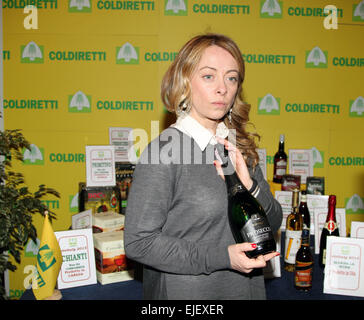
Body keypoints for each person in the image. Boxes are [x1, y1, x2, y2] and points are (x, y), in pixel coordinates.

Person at [124, 33, 283, 300]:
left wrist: (250, 187)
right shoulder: (165, 151)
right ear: (184, 82)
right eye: (209, 76)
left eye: (231, 78)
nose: (223, 88)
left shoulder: (238, 146)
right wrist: (222, 257)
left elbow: (272, 222)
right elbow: (139, 243)